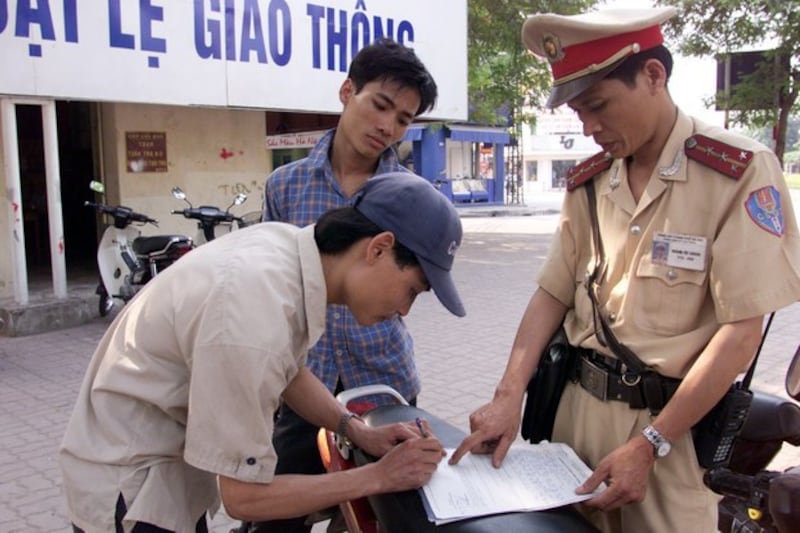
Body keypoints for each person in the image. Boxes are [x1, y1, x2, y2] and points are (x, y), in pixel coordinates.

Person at [450, 6, 800, 533]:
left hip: (668, 434)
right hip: (572, 419)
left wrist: (651, 443)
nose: (588, 128)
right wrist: (507, 398)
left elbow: (741, 333)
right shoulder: (589, 183)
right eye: (577, 113)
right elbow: (552, 293)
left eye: (597, 106)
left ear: (654, 76)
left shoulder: (737, 174)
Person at [58, 173, 465, 533]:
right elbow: (245, 499)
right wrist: (379, 478)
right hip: (131, 482)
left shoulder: (286, 250)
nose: (405, 310)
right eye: (413, 289)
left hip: (163, 468)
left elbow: (286, 369)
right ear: (378, 248)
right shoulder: (251, 310)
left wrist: (357, 431)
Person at [252, 37, 439, 532]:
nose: (387, 126)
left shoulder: (413, 197)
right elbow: (270, 288)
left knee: (381, 517)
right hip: (304, 381)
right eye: (380, 105)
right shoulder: (286, 185)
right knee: (279, 516)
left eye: (403, 119)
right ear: (346, 91)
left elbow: (414, 283)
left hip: (384, 382)